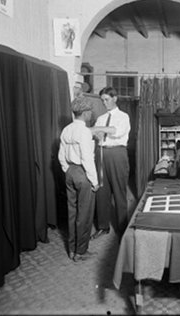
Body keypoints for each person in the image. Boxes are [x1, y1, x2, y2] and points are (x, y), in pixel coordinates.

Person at [58, 97, 99, 262]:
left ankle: (72, 249)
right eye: (90, 112)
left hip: (70, 172)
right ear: (86, 113)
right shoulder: (84, 131)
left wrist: (67, 169)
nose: (91, 114)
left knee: (72, 212)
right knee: (85, 214)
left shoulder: (66, 129)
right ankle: (81, 251)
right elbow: (87, 158)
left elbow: (61, 155)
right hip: (83, 173)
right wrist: (94, 181)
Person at [91, 87, 131, 238]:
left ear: (115, 98)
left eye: (106, 99)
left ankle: (122, 228)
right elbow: (97, 135)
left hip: (117, 154)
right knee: (102, 190)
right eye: (102, 100)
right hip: (101, 153)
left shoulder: (123, 116)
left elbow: (117, 131)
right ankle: (103, 226)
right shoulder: (101, 118)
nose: (104, 103)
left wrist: (98, 129)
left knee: (119, 191)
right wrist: (97, 132)